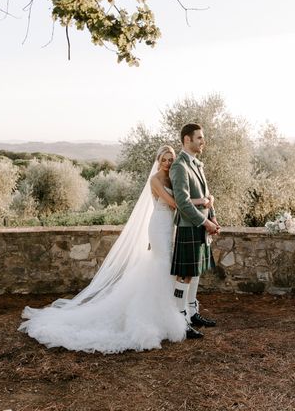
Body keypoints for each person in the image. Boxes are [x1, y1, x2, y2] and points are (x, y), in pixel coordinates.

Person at [18, 145, 208, 353]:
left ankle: (169, 312)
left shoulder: (173, 177)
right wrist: (203, 201)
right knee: (163, 263)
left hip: (171, 226)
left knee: (165, 265)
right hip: (159, 225)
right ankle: (163, 316)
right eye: (164, 159)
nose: (168, 162)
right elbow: (175, 203)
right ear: (158, 160)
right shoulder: (154, 180)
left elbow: (182, 199)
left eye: (170, 159)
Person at [170, 123, 220, 339]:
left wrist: (214, 217)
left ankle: (192, 313)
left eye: (203, 137)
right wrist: (204, 222)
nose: (203, 141)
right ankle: (179, 320)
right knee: (185, 276)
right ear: (186, 140)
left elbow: (207, 195)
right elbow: (182, 202)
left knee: (195, 273)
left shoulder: (197, 164)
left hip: (201, 224)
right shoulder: (180, 166)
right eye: (199, 138)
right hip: (189, 227)